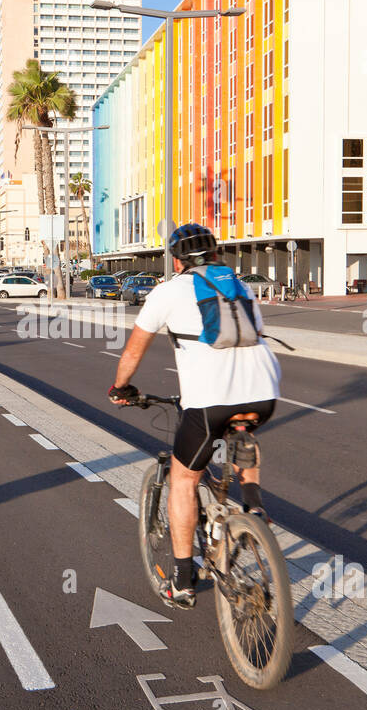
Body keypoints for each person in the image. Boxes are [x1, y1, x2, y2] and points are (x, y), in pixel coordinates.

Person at [107, 222, 281, 610]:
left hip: (207, 401)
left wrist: (122, 388)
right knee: (242, 429)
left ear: (176, 260)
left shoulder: (167, 292)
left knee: (184, 480)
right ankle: (253, 505)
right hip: (265, 392)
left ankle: (183, 578)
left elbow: (133, 352)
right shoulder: (240, 287)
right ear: (218, 255)